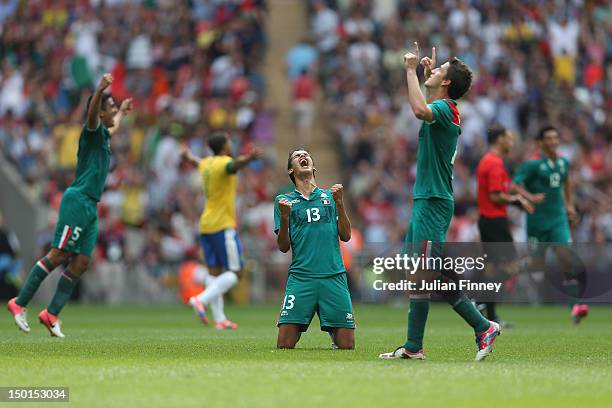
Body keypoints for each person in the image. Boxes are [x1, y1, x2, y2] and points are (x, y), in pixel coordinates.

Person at [379, 43, 501, 362]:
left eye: (440, 70)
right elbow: (427, 107)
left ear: (447, 83)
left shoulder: (446, 110)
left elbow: (421, 110)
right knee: (422, 274)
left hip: (433, 202)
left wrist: (410, 71)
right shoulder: (443, 110)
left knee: (424, 274)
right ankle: (420, 344)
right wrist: (427, 77)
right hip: (428, 199)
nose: (432, 70)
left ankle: (476, 327)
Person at [7, 73, 132, 337]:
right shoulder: (92, 130)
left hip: (91, 206)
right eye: (109, 108)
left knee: (82, 262)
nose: (112, 113)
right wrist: (98, 91)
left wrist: (121, 110)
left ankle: (51, 314)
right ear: (99, 112)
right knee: (59, 255)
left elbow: (115, 126)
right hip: (77, 200)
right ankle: (19, 304)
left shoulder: (105, 135)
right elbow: (91, 116)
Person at [275, 149, 355, 349]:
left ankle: (333, 331)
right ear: (290, 170)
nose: (303, 156)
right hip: (302, 278)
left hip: (333, 276)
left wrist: (340, 203)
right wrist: (285, 218)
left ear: (313, 166)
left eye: (306, 154)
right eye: (297, 156)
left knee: (347, 346)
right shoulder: (284, 201)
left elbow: (346, 236)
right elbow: (283, 247)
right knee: (284, 344)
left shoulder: (330, 196)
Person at [181, 133, 262, 329]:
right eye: (229, 141)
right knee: (237, 272)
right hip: (222, 225)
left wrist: (187, 156)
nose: (231, 143)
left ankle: (219, 319)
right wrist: (249, 159)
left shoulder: (206, 163)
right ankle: (200, 299)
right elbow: (233, 166)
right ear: (225, 146)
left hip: (205, 224)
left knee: (215, 274)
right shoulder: (223, 162)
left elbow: (195, 161)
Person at [512, 125, 589, 324]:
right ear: (540, 142)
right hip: (537, 222)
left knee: (565, 257)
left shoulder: (563, 162)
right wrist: (530, 196)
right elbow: (515, 184)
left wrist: (570, 206)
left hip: (558, 219)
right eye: (549, 138)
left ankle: (575, 306)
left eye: (556, 137)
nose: (554, 141)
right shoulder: (533, 164)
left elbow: (567, 182)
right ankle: (510, 269)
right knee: (536, 265)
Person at [475, 126, 540, 327]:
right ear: (500, 139)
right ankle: (480, 300)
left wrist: (524, 196)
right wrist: (517, 200)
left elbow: (507, 187)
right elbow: (496, 196)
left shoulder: (493, 162)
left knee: (492, 269)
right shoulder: (494, 163)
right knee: (511, 267)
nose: (512, 143)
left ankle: (491, 317)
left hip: (489, 221)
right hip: (494, 221)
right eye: (510, 138)